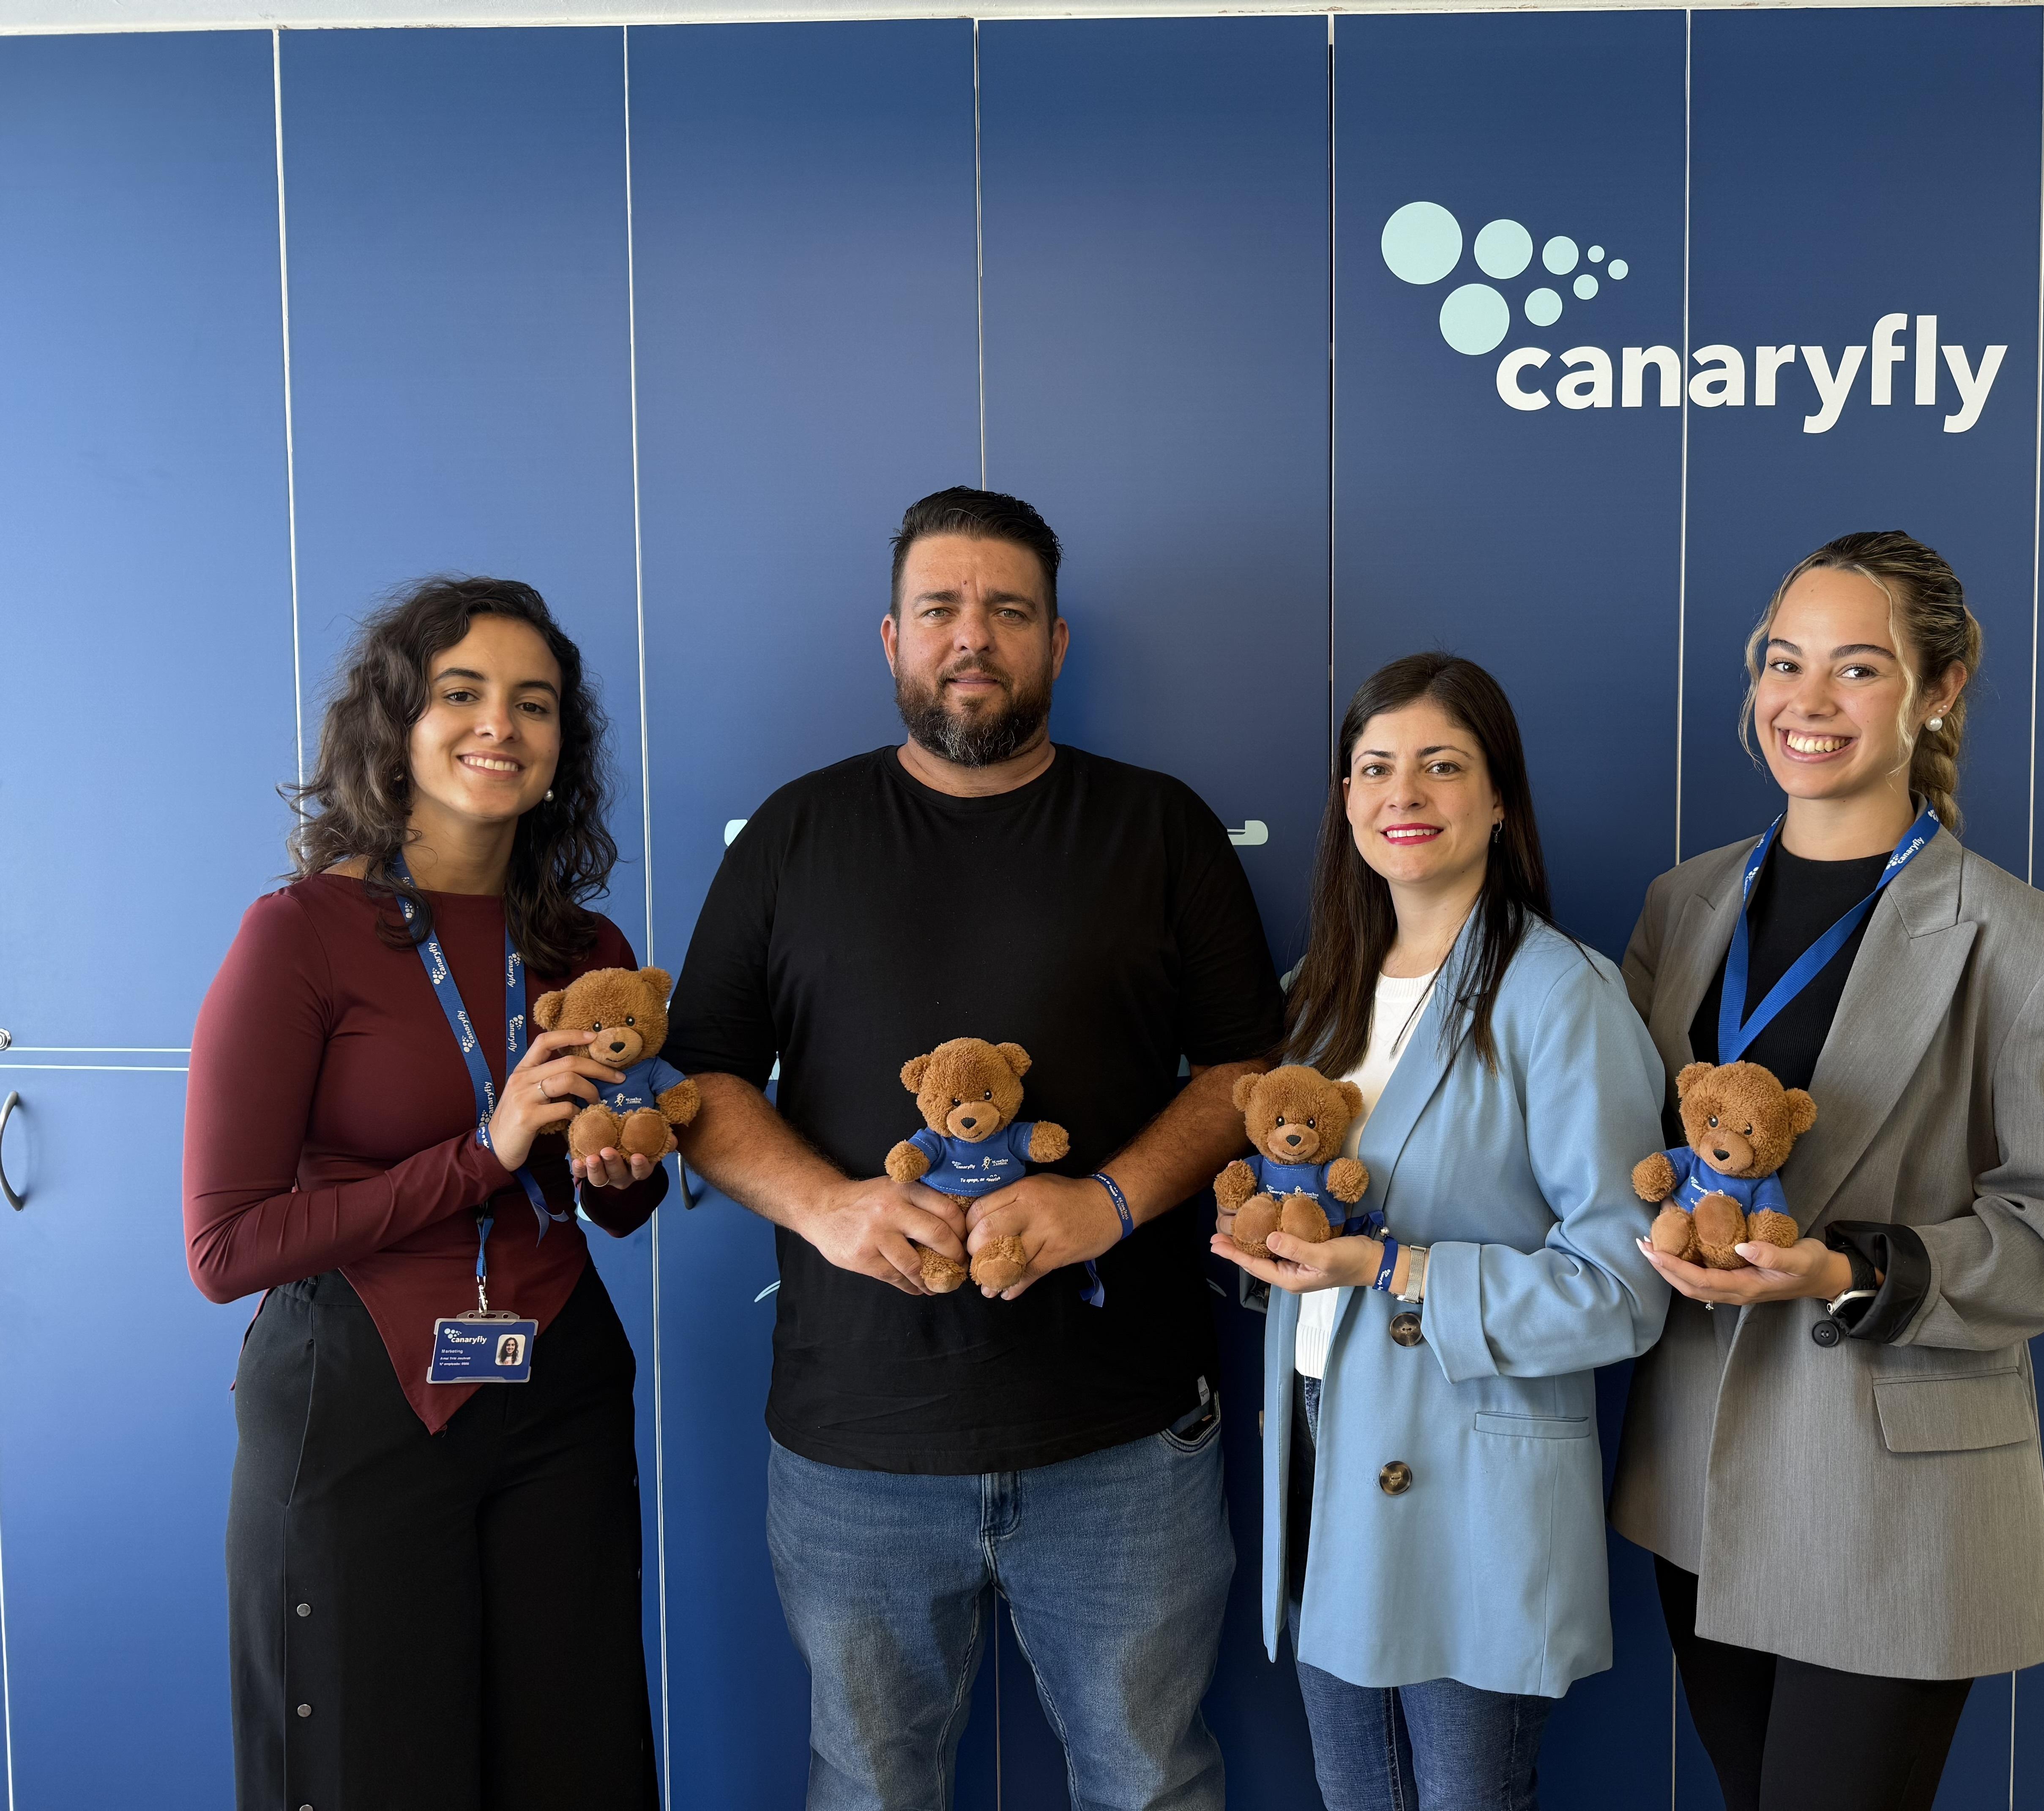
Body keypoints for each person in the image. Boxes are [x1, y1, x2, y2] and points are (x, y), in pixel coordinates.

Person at [661, 486, 1284, 1811]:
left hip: (1123, 1443)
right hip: (854, 1450)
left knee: (1152, 1784)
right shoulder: (794, 834)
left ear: (1057, 643)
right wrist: (831, 1208)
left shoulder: (1161, 827)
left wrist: (1106, 1203)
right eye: (941, 607)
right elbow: (701, 1080)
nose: (973, 636)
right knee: (869, 1789)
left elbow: (1245, 1077)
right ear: (889, 637)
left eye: (1009, 610)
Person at [1612, 532, 2044, 1811]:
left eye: (1859, 668)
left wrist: (1850, 1267)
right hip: (1701, 1478)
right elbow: (1634, 1147)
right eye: (1786, 663)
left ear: (1938, 690)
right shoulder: (1681, 908)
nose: (1808, 702)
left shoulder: (2040, 949)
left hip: (1891, 1490)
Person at [184, 578, 670, 1810]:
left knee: (576, 1769)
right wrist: (484, 1151)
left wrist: (620, 1174)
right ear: (398, 721)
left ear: (563, 749)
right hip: (355, 1406)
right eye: (460, 693)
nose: (498, 724)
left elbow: (599, 1200)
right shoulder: (298, 933)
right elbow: (226, 1245)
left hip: (558, 1394)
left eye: (534, 703)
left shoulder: (589, 953)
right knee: (369, 1771)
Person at [1211, 652, 1671, 1811]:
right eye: (1374, 768)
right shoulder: (1315, 989)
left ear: (1500, 797)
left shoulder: (1561, 992)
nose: (1401, 794)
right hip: (1323, 1442)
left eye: (1439, 765)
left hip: (1469, 1466)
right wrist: (1262, 1252)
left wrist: (1394, 1266)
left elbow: (1625, 1282)